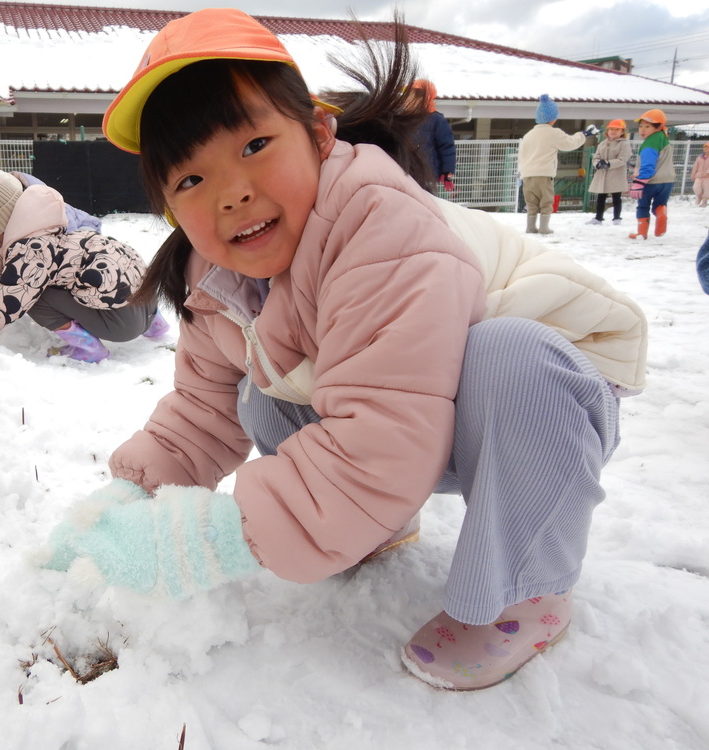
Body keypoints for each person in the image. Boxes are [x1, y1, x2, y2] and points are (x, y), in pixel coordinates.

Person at [39, 9, 648, 691]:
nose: (233, 193)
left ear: (320, 137)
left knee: (508, 360)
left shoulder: (375, 221)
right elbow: (202, 411)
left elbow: (383, 430)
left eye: (254, 146)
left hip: (551, 388)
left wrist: (206, 539)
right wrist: (127, 497)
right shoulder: (215, 282)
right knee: (255, 389)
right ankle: (374, 522)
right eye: (190, 180)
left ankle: (525, 589)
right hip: (425, 398)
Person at [0, 158, 169, 363]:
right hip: (147, 300)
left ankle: (90, 349)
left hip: (124, 325)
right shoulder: (51, 227)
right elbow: (4, 283)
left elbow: (4, 301)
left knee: (35, 297)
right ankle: (155, 326)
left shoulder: (30, 249)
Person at [517, 94, 599, 234]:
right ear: (553, 118)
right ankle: (544, 227)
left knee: (531, 202)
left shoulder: (529, 135)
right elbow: (570, 143)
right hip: (543, 174)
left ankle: (530, 227)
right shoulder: (553, 133)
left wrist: (520, 173)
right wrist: (583, 135)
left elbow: (522, 155)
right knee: (546, 201)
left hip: (527, 175)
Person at [628, 109, 675, 240]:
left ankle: (641, 233)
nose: (642, 130)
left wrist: (639, 182)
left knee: (643, 206)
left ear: (658, 126)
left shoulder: (650, 142)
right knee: (660, 205)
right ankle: (661, 214)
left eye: (647, 126)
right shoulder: (663, 138)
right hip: (667, 181)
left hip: (650, 182)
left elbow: (648, 165)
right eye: (641, 126)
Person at [409, 79, 456, 193]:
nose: (407, 99)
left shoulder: (437, 120)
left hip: (427, 175)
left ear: (422, 98)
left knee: (426, 205)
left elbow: (447, 148)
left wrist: (447, 172)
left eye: (411, 95)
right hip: (407, 174)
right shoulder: (406, 119)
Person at [585, 119, 631, 225]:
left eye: (617, 129)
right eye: (611, 129)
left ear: (622, 132)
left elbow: (623, 159)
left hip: (616, 174)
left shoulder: (624, 144)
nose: (613, 131)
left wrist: (609, 163)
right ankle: (598, 218)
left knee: (616, 196)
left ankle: (617, 218)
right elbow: (596, 157)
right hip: (602, 174)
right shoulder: (602, 144)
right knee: (601, 196)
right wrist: (597, 164)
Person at [691, 142, 709, 208]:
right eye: (705, 147)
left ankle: (704, 201)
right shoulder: (699, 157)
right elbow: (695, 167)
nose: (706, 149)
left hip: (707, 177)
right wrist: (693, 175)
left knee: (707, 189)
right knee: (696, 187)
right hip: (699, 176)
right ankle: (699, 197)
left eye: (707, 147)